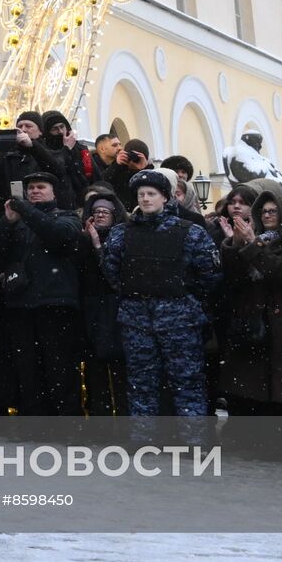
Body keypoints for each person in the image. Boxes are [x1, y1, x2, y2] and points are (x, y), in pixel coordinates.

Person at [101, 170, 222, 420]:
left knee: (187, 382)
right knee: (141, 382)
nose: (145, 199)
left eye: (151, 194)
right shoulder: (122, 233)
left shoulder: (190, 232)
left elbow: (209, 275)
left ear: (165, 197)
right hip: (137, 318)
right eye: (141, 194)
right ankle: (144, 437)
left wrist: (184, 298)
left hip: (180, 318)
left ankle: (193, 439)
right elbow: (112, 273)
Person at [0, 171, 85, 416]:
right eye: (30, 188)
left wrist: (28, 212)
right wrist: (7, 222)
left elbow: (59, 237)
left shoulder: (67, 217)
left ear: (53, 192)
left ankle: (67, 421)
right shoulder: (16, 220)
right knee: (27, 368)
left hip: (55, 303)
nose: (35, 192)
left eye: (41, 187)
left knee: (60, 367)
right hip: (21, 305)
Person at [216, 188, 282, 428]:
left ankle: (281, 436)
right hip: (251, 321)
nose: (268, 215)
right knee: (249, 383)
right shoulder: (255, 238)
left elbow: (280, 272)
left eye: (274, 211)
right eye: (264, 211)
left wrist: (250, 245)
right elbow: (232, 278)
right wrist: (233, 246)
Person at [77, 192, 127, 417]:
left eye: (105, 212)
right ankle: (100, 415)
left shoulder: (123, 237)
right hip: (90, 306)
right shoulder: (81, 240)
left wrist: (98, 246)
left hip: (115, 306)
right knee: (94, 366)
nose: (99, 215)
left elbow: (115, 276)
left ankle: (124, 416)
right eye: (96, 212)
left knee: (120, 366)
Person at [0, 111, 79, 214]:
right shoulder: (6, 154)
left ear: (40, 131)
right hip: (10, 211)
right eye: (20, 126)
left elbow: (57, 168)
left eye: (29, 126)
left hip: (42, 212)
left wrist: (32, 146)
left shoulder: (48, 151)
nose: (23, 129)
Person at [103, 138, 151, 210]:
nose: (134, 159)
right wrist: (117, 165)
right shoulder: (118, 171)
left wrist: (145, 169)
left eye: (138, 157)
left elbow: (152, 189)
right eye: (132, 156)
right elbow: (102, 183)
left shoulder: (151, 174)